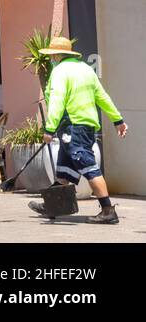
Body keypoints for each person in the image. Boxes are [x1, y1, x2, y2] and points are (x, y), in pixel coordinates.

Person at [28, 37, 128, 225]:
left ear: (56, 55)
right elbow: (102, 96)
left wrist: (49, 128)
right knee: (64, 170)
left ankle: (108, 210)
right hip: (86, 127)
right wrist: (117, 119)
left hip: (72, 127)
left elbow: (57, 101)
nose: (51, 58)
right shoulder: (86, 70)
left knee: (88, 166)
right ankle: (51, 206)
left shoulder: (59, 72)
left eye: (51, 55)